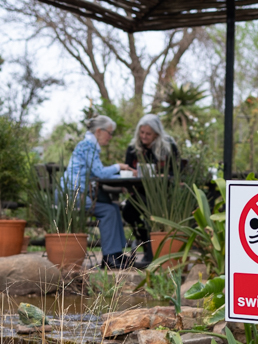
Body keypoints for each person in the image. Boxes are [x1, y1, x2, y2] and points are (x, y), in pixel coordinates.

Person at [61, 115, 135, 269]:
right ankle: (109, 258)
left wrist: (121, 175)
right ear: (99, 131)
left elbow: (97, 173)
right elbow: (100, 172)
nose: (110, 137)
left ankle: (116, 254)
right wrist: (119, 167)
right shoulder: (88, 145)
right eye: (110, 133)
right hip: (72, 195)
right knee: (108, 210)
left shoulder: (88, 145)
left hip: (78, 193)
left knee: (113, 207)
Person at [123, 114, 180, 266]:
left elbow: (176, 172)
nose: (144, 136)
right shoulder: (133, 148)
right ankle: (144, 240)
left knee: (151, 214)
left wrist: (163, 175)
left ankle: (150, 255)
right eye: (142, 133)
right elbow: (127, 167)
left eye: (148, 134)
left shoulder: (168, 147)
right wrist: (132, 172)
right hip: (140, 192)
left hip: (162, 196)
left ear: (156, 134)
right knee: (128, 212)